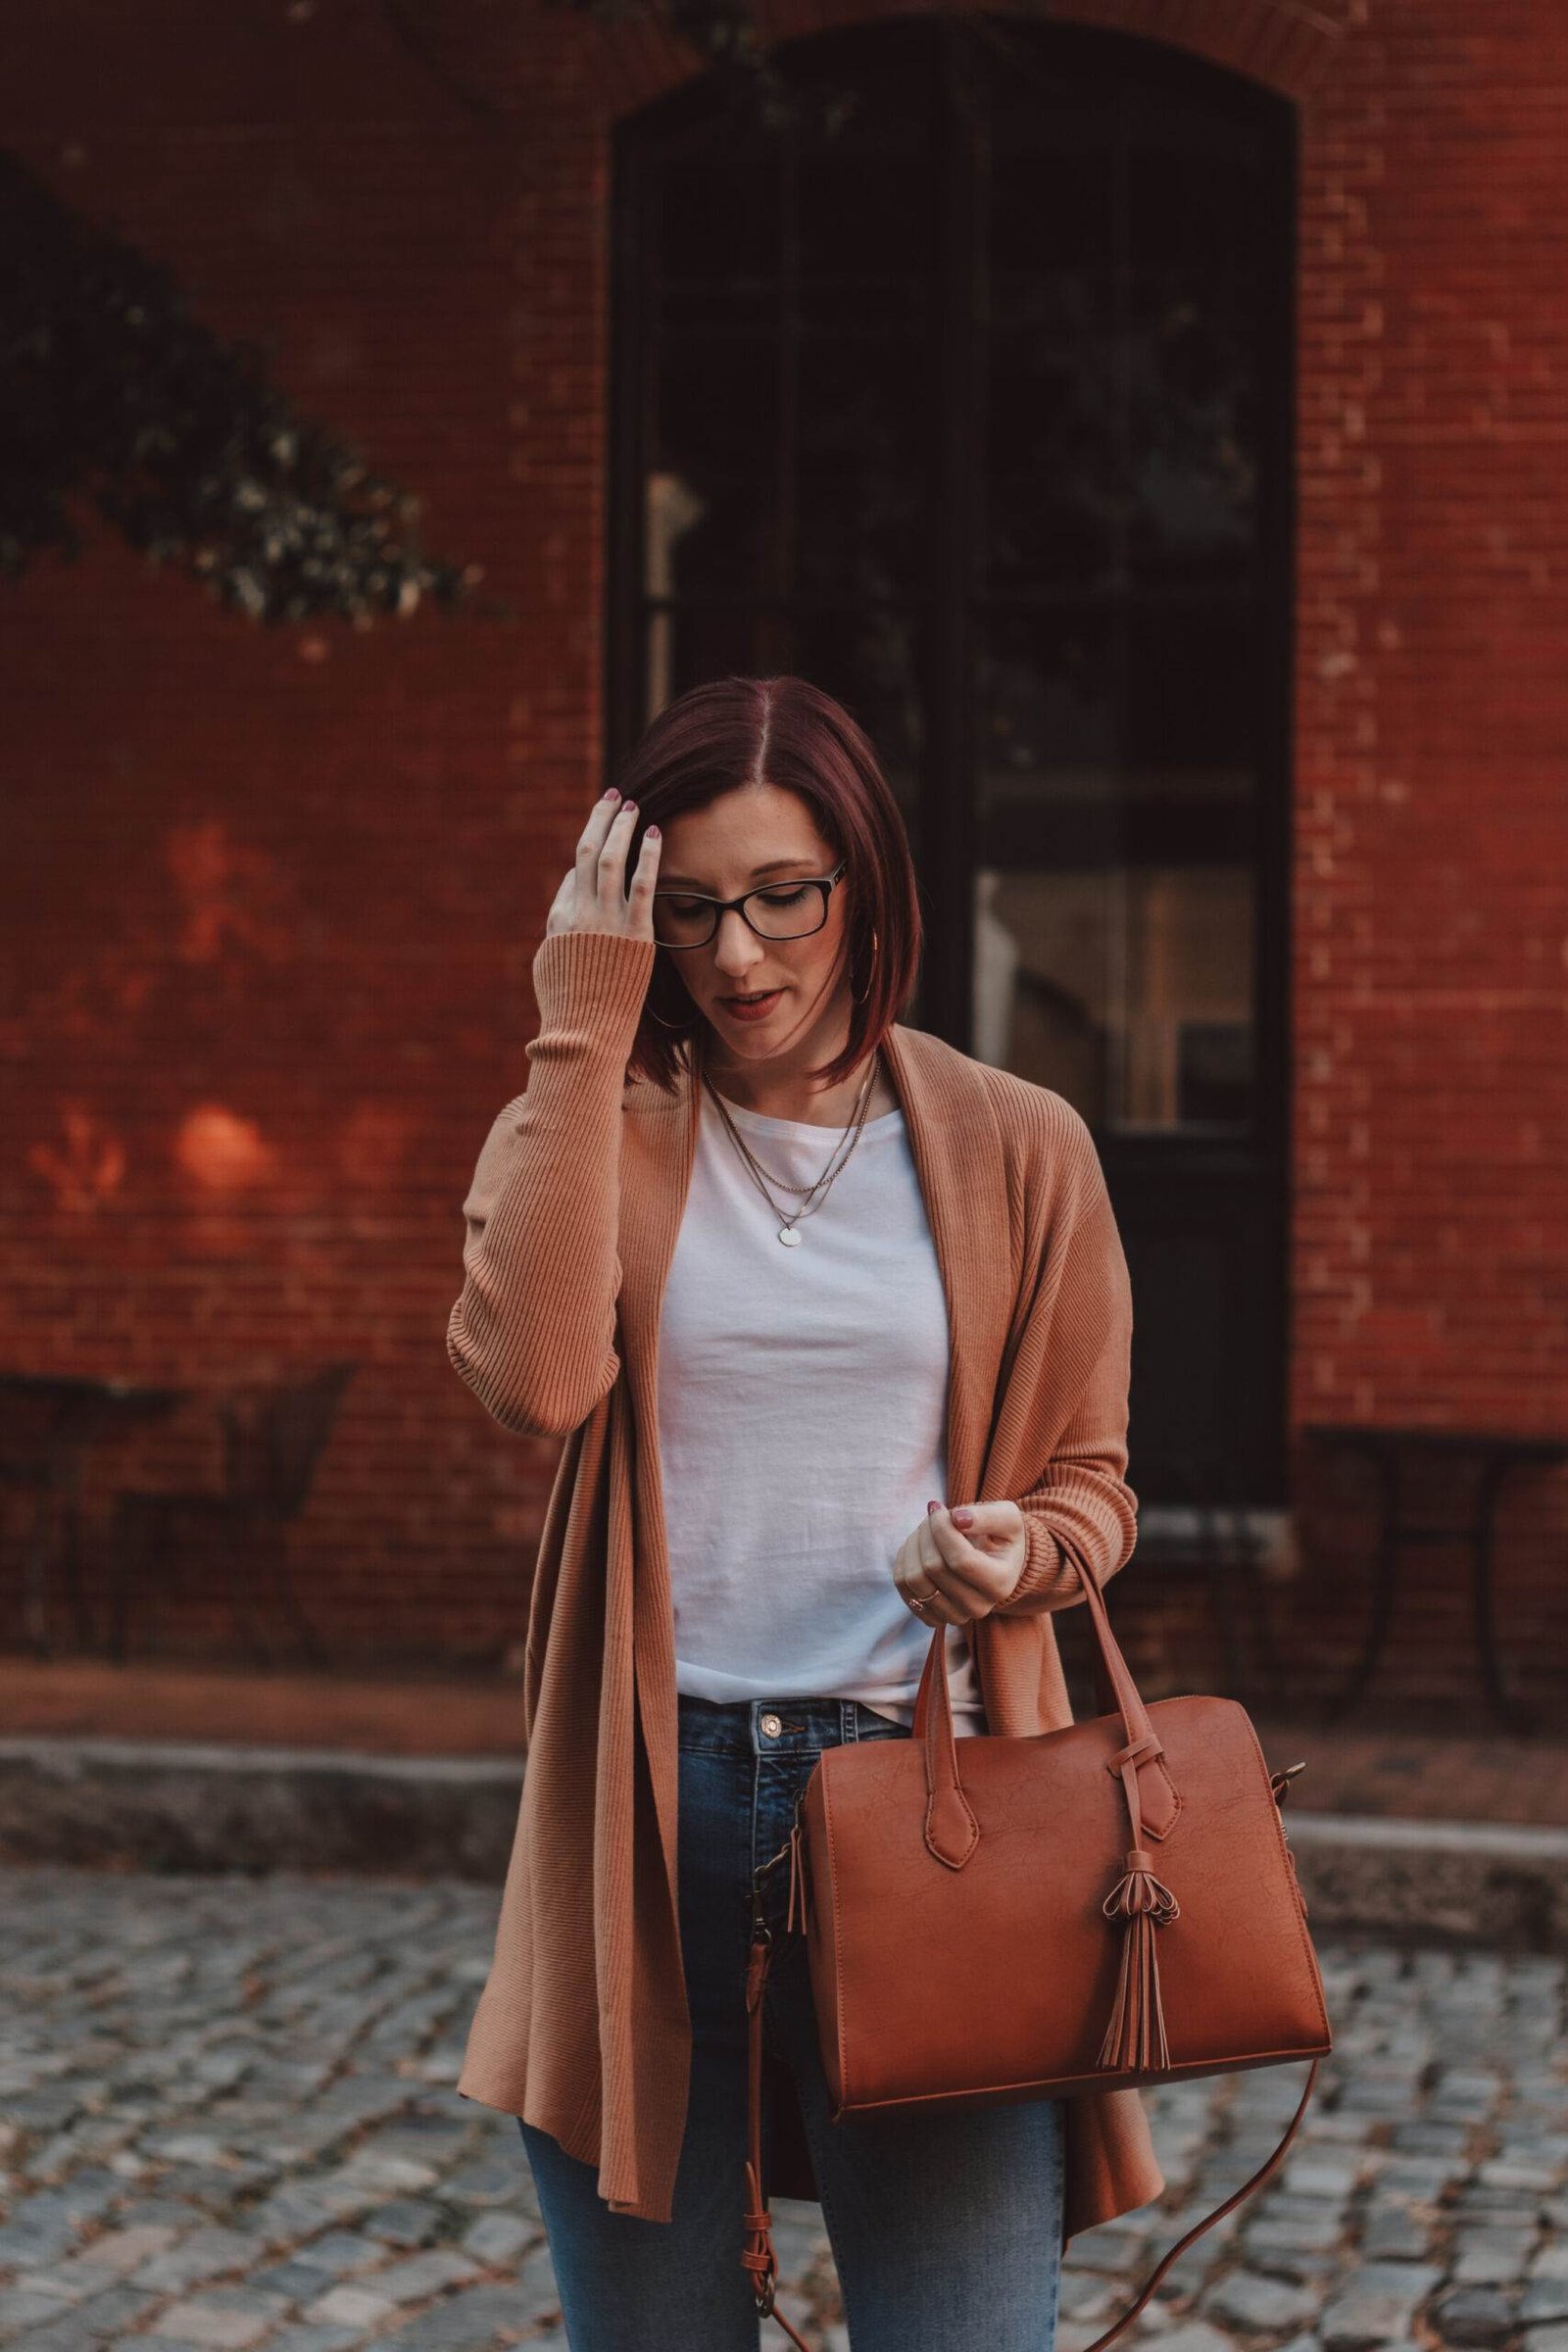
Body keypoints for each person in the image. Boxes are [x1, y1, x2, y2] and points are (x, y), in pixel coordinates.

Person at [446, 675, 1163, 2351]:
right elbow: (533, 1383)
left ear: (867, 881)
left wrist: (1015, 1551)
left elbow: (1095, 1489)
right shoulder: (594, 1127)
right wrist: (580, 1021)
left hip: (930, 1809)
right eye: (687, 912)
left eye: (783, 896)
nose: (740, 957)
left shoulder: (1016, 1144)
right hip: (650, 1815)